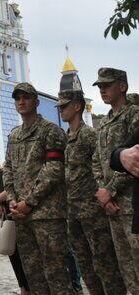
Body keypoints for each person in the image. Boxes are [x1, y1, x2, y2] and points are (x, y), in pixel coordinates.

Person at [1, 83, 73, 294]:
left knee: (56, 272)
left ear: (37, 102)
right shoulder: (14, 135)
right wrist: (12, 199)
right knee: (33, 273)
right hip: (21, 214)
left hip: (46, 214)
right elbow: (8, 169)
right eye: (17, 98)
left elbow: (54, 169)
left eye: (26, 97)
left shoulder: (50, 131)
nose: (21, 101)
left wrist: (29, 202)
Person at [57, 89, 126, 294]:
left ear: (77, 106)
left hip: (92, 210)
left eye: (64, 105)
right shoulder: (66, 137)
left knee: (104, 264)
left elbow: (101, 166)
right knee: (85, 264)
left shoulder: (88, 134)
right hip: (73, 210)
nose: (60, 110)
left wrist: (106, 194)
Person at [92, 67, 139, 291]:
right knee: (126, 267)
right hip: (112, 206)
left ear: (122, 86)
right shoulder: (105, 122)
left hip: (131, 202)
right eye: (100, 86)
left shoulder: (134, 114)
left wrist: (111, 189)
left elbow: (135, 158)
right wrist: (104, 192)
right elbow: (97, 160)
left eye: (107, 85)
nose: (102, 90)